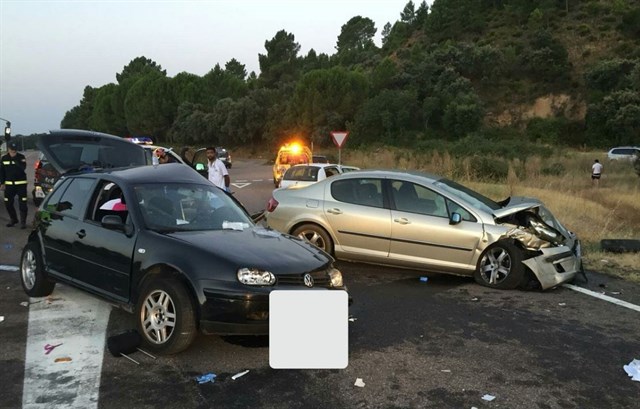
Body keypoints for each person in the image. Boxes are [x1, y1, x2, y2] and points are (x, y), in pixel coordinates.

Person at [0, 142, 29, 228]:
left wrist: (15, 160)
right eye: (12, 149)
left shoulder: (21, 157)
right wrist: (2, 183)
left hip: (21, 185)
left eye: (15, 150)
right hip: (9, 185)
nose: (13, 151)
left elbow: (23, 168)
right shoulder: (4, 158)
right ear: (8, 149)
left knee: (23, 204)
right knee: (8, 203)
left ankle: (23, 222)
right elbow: (2, 172)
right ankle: (13, 219)